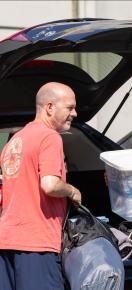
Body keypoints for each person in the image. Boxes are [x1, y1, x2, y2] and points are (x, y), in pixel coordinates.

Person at [0, 82, 82, 290]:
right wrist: (73, 190)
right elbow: (50, 185)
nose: (75, 113)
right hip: (37, 244)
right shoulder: (49, 137)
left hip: (7, 242)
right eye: (70, 107)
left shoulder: (15, 141)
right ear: (50, 107)